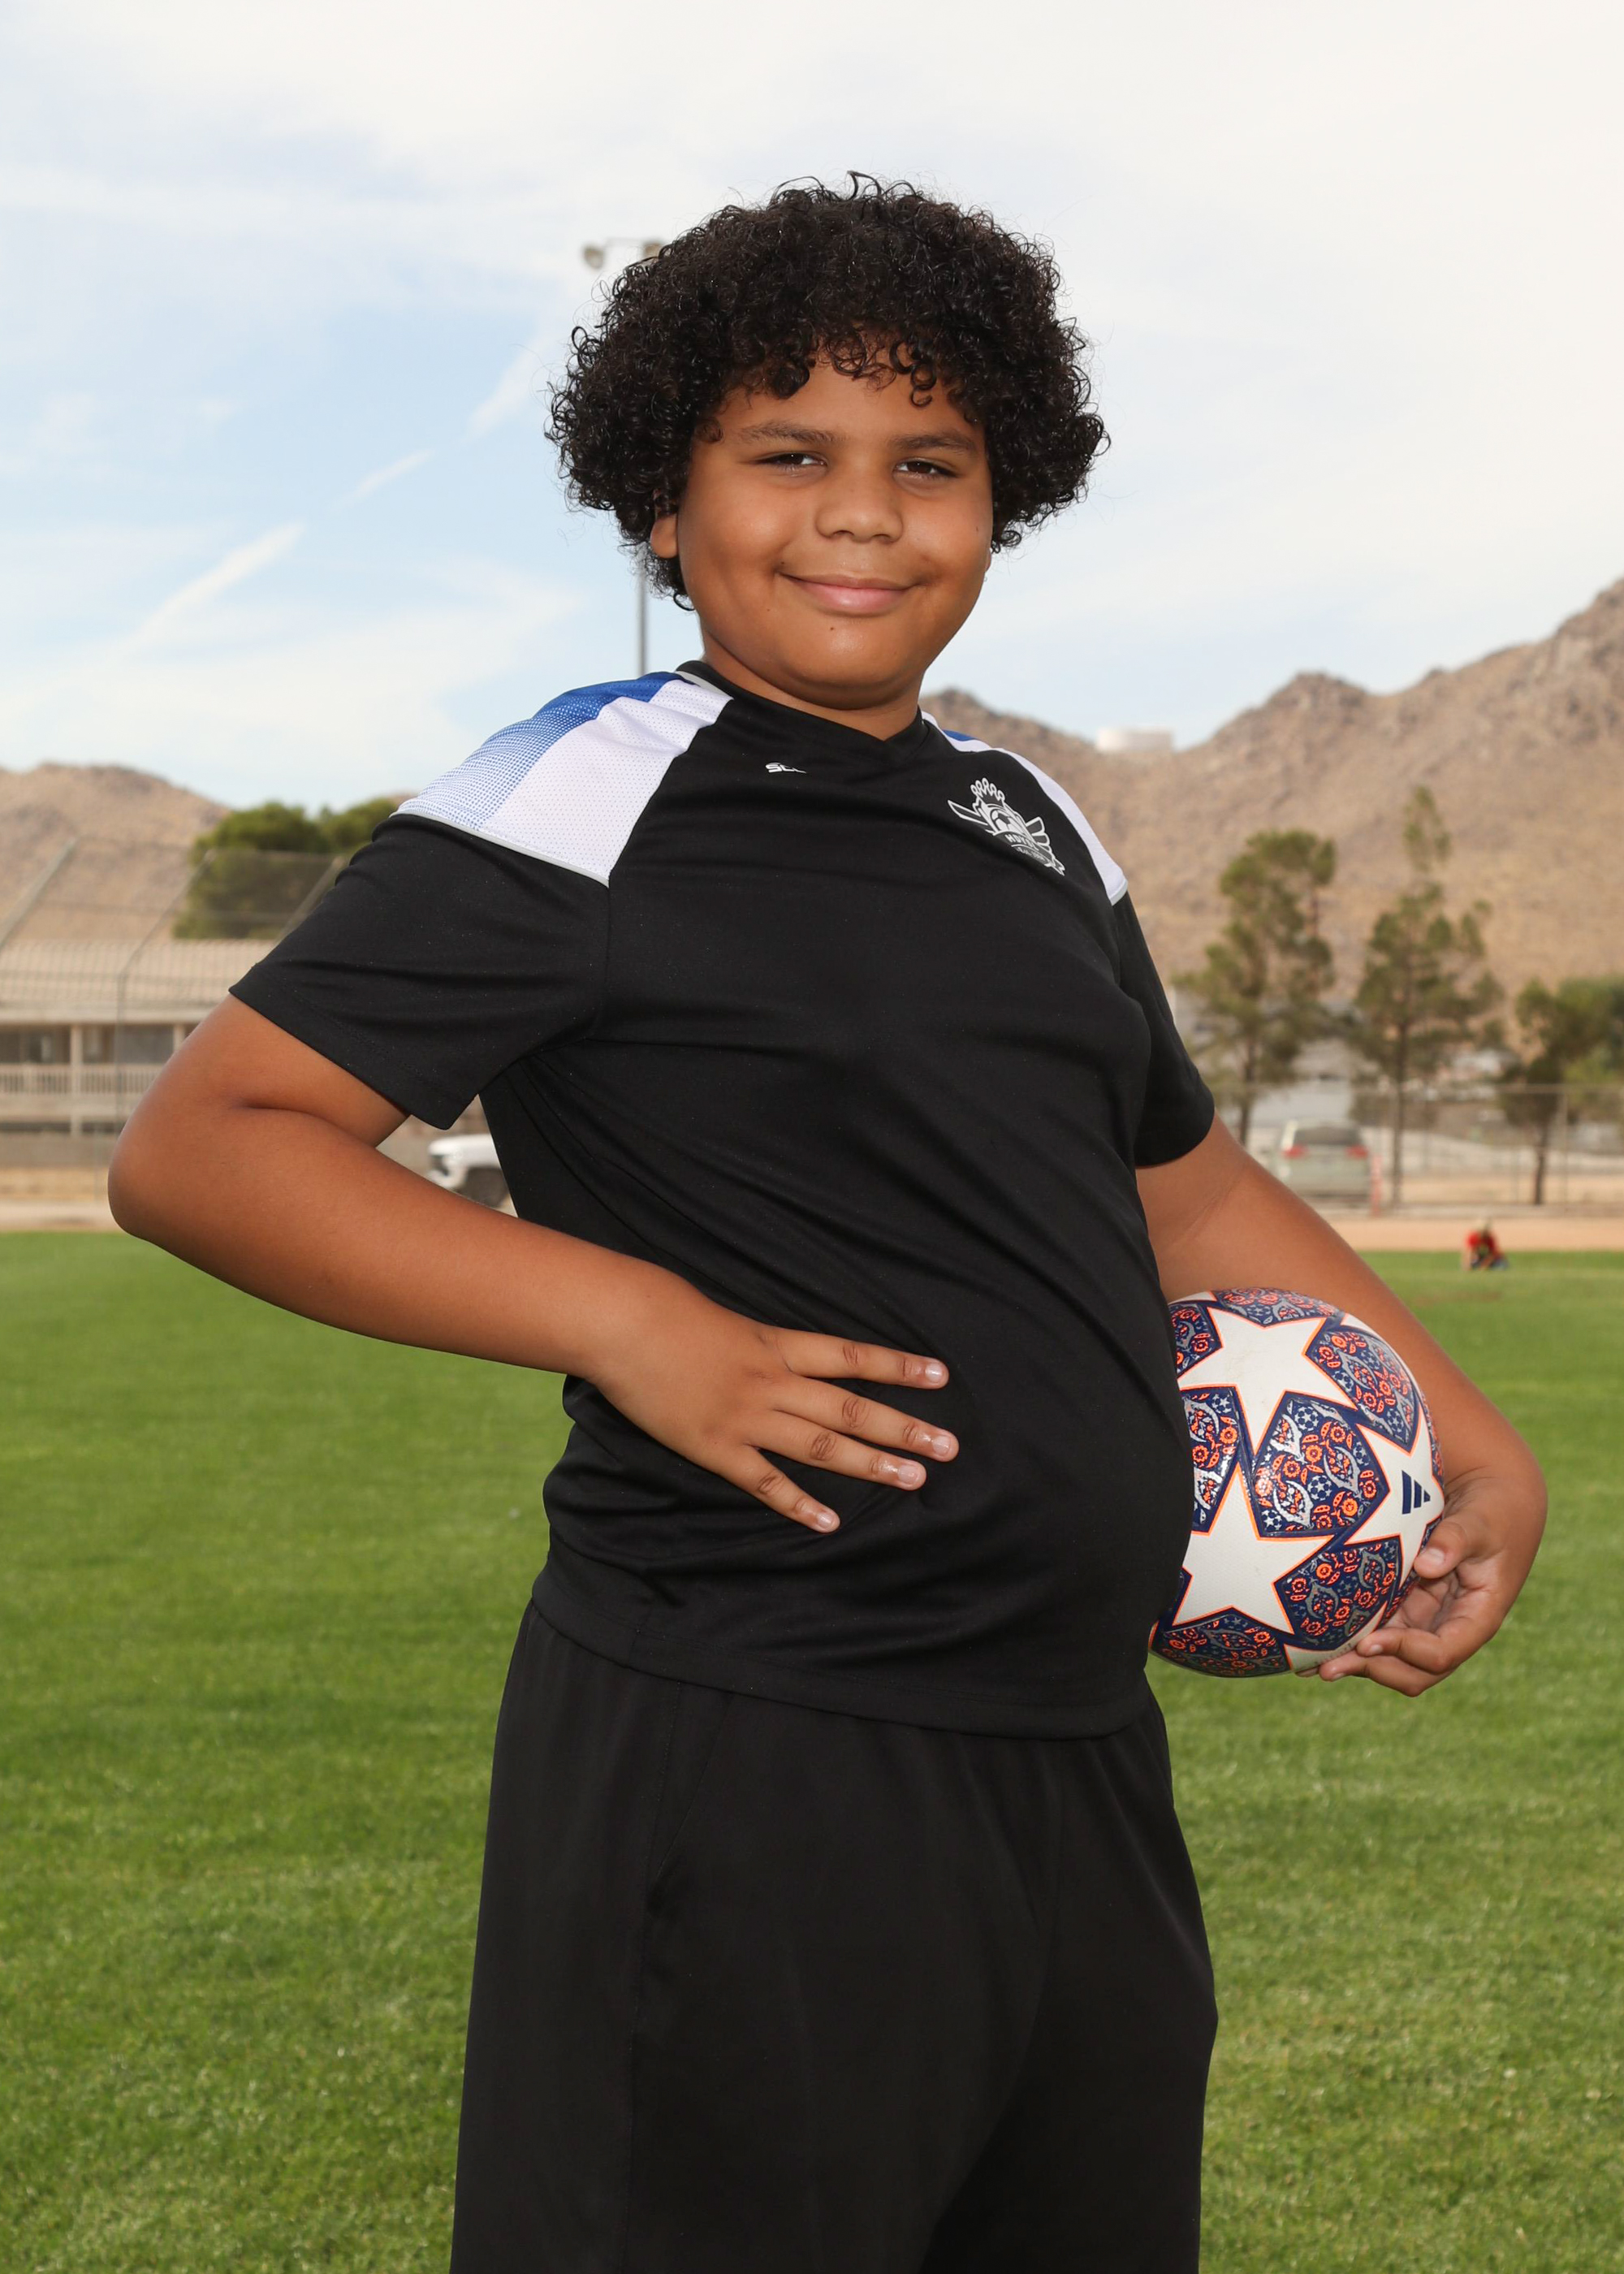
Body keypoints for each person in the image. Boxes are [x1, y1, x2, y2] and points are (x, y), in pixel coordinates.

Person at [109, 178, 1546, 2274]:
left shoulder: (1029, 821)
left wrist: (1471, 1439)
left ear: (1004, 497)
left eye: (929, 463)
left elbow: (1192, 1187)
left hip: (1078, 1758)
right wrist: (632, 1321)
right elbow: (209, 1145)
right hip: (752, 1751)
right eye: (787, 454)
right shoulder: (580, 793)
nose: (861, 513)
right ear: (664, 498)